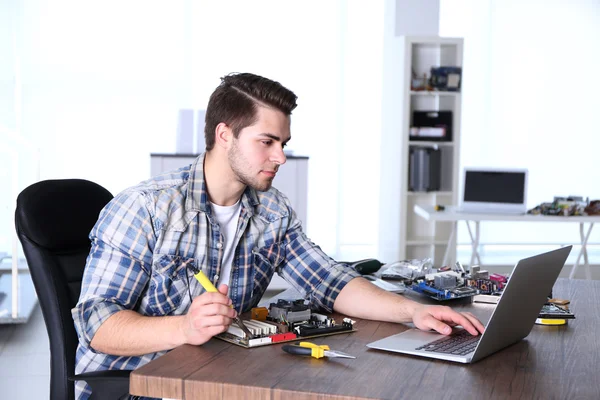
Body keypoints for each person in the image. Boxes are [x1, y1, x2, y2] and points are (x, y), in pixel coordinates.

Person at [72, 72, 484, 400]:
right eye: (266, 142)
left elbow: (329, 280)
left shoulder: (272, 211)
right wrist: (184, 327)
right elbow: (97, 325)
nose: (280, 156)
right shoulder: (145, 208)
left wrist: (412, 313)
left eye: (283, 143)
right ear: (224, 135)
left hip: (216, 374)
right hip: (137, 385)